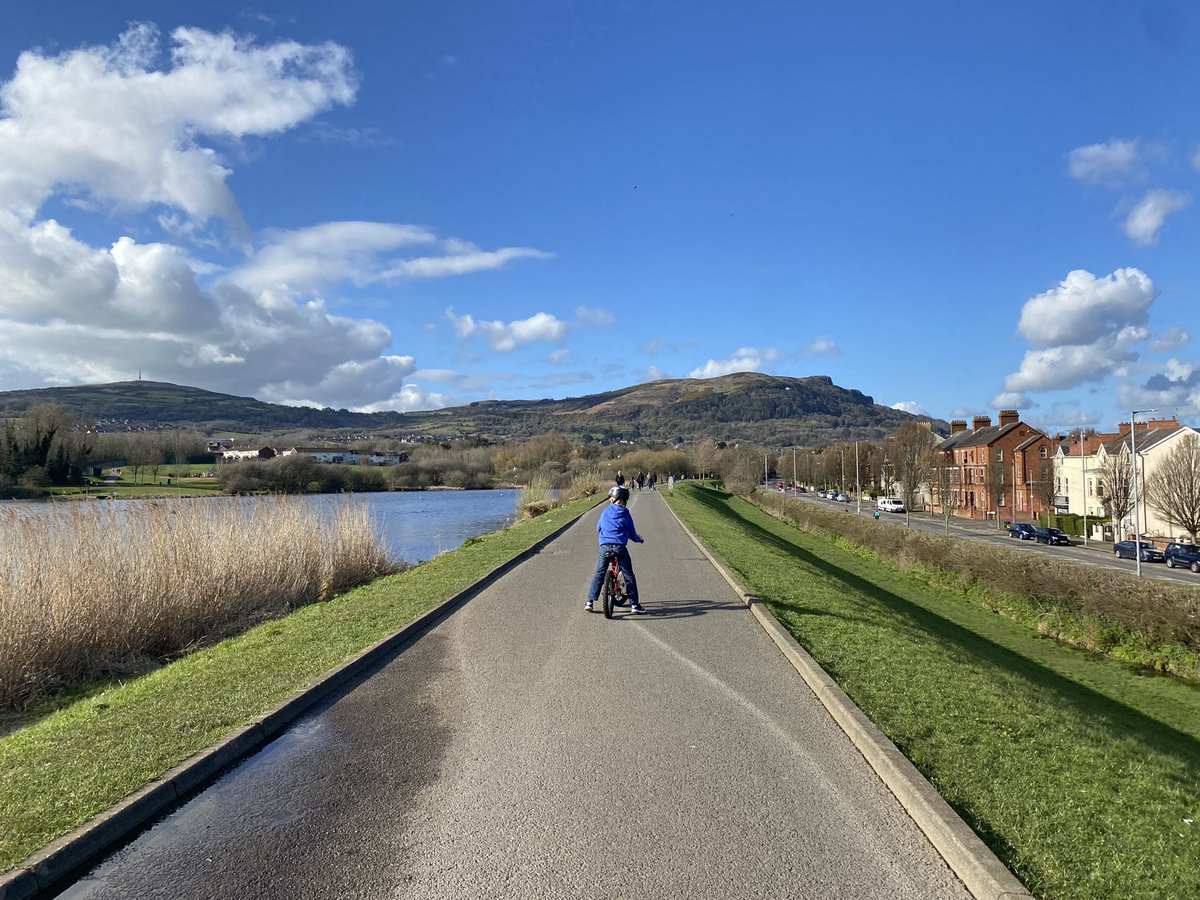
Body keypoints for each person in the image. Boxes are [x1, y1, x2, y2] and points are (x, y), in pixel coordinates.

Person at [585, 486, 646, 614]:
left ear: (613, 499)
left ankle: (589, 602)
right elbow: (631, 532)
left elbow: (598, 528)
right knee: (629, 575)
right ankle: (634, 605)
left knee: (599, 573)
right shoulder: (625, 513)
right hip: (619, 547)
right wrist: (638, 539)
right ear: (625, 500)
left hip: (605, 546)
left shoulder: (605, 511)